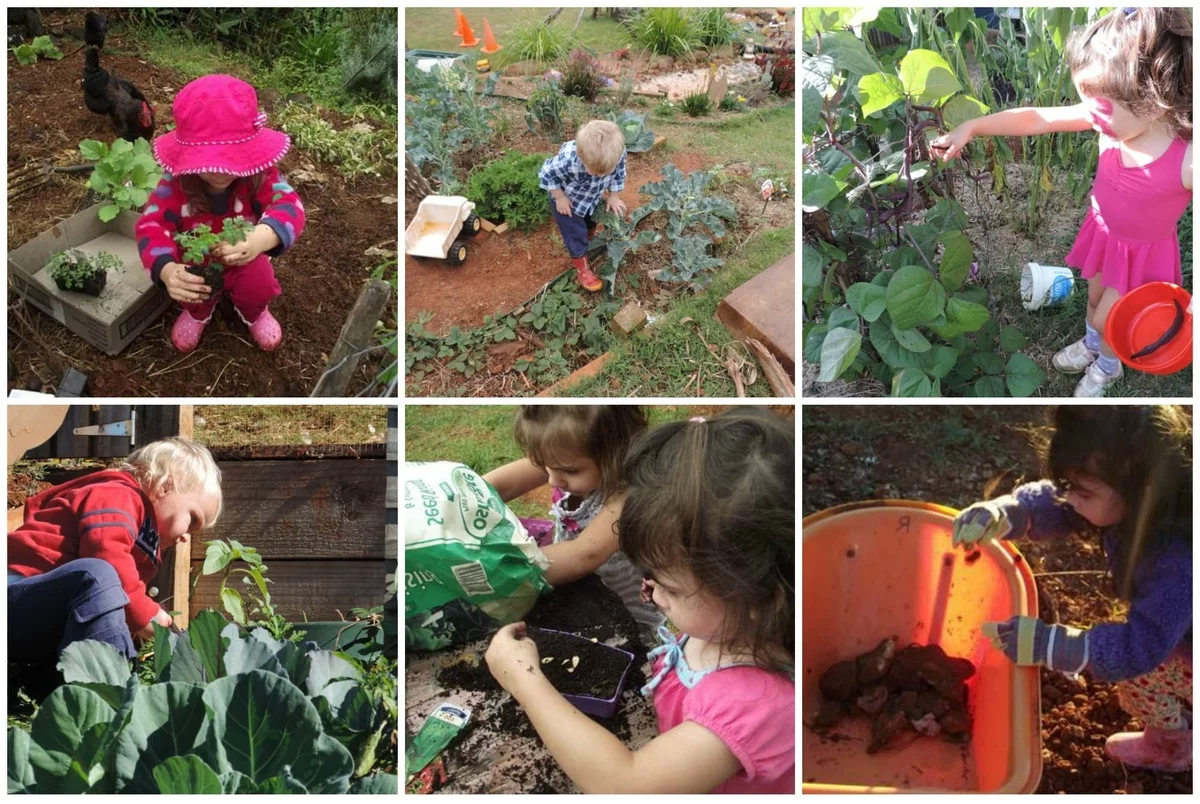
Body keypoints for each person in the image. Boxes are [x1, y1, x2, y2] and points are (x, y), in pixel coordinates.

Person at [486, 408, 795, 793]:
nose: (653, 590)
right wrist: (672, 595)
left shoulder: (757, 704)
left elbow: (626, 785)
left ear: (757, 595)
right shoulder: (734, 623)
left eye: (672, 587)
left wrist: (525, 680)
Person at [933, 8, 1192, 397]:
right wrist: (974, 126)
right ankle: (1091, 345)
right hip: (1106, 237)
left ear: (1153, 100)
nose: (1092, 114)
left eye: (1100, 105)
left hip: (1143, 257)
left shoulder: (1186, 158)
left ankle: (1108, 367)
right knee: (1093, 299)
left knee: (1112, 319)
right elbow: (1036, 118)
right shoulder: (1113, 119)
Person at [953, 406, 1191, 772]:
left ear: (1140, 489)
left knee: (1143, 679)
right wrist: (1007, 512)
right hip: (1176, 626)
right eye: (1068, 486)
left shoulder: (1178, 562)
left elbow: (1141, 648)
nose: (1070, 499)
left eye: (1082, 492)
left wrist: (1057, 645)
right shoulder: (1139, 496)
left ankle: (1172, 747)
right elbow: (1061, 503)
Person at [8, 437, 223, 667]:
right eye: (192, 520)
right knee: (99, 574)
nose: (185, 538)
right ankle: (117, 685)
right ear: (165, 487)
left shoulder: (140, 535)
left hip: (44, 618)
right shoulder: (118, 495)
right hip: (17, 595)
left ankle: (93, 682)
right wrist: (148, 613)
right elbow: (106, 555)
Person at [136, 74, 307, 353]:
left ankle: (254, 313)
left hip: (245, 256)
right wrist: (167, 271)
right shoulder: (175, 183)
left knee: (258, 285)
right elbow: (151, 226)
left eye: (230, 159)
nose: (220, 171)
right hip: (198, 260)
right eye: (209, 162)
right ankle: (198, 313)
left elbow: (289, 205)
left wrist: (260, 239)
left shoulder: (259, 175)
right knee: (191, 286)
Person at [483, 405, 661, 637]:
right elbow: (491, 488)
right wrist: (457, 498)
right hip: (578, 592)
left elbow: (583, 554)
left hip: (623, 612)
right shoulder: (566, 459)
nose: (552, 480)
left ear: (618, 454)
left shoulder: (628, 497)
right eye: (544, 465)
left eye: (569, 471)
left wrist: (500, 569)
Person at [538, 120, 628, 292]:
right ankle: (581, 267)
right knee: (575, 232)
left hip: (591, 197)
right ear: (580, 155)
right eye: (596, 172)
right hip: (568, 202)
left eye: (605, 172)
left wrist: (614, 196)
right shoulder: (568, 161)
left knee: (590, 221)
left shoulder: (616, 154)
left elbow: (619, 172)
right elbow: (546, 174)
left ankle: (588, 237)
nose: (601, 175)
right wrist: (560, 197)